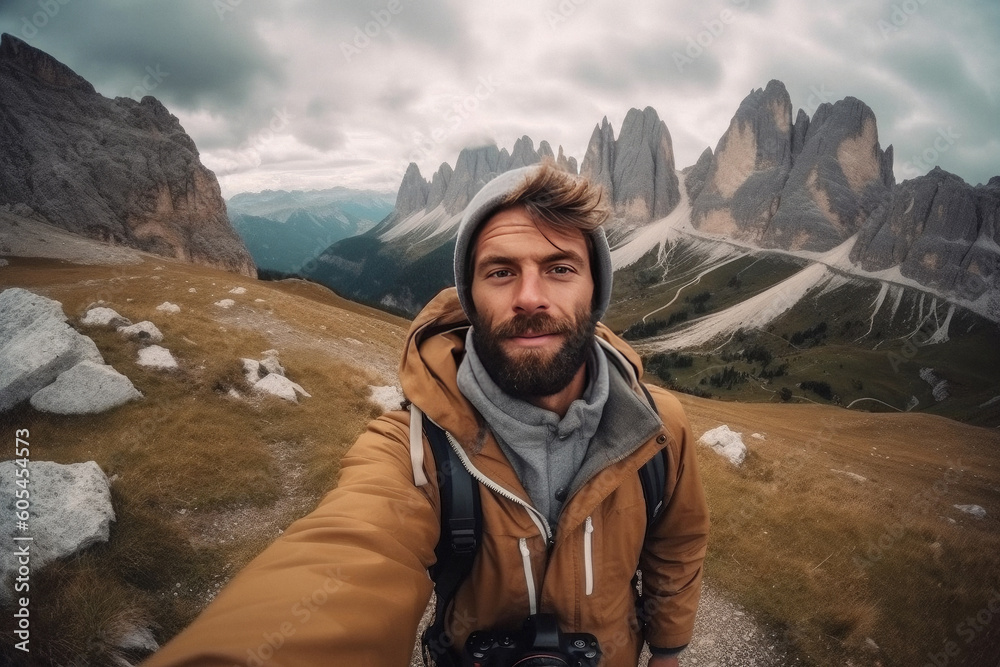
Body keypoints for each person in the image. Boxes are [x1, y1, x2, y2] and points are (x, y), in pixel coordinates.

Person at [144, 162, 709, 667]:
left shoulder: (661, 429)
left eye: (560, 269)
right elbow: (351, 547)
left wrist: (668, 652)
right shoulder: (411, 446)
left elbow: (677, 545)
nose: (530, 297)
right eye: (500, 272)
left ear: (595, 290)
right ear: (468, 295)